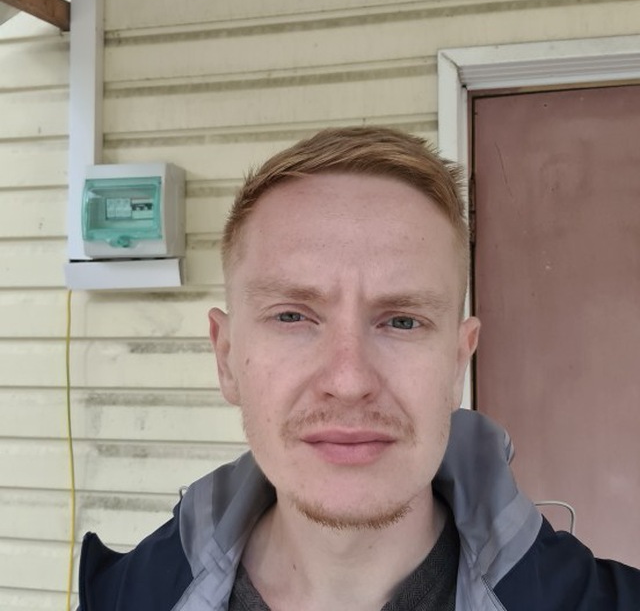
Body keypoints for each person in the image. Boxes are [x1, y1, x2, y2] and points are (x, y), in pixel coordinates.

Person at [78, 126, 640, 611]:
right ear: (226, 357)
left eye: (403, 321)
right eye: (293, 316)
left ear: (457, 363)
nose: (348, 382)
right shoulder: (120, 598)